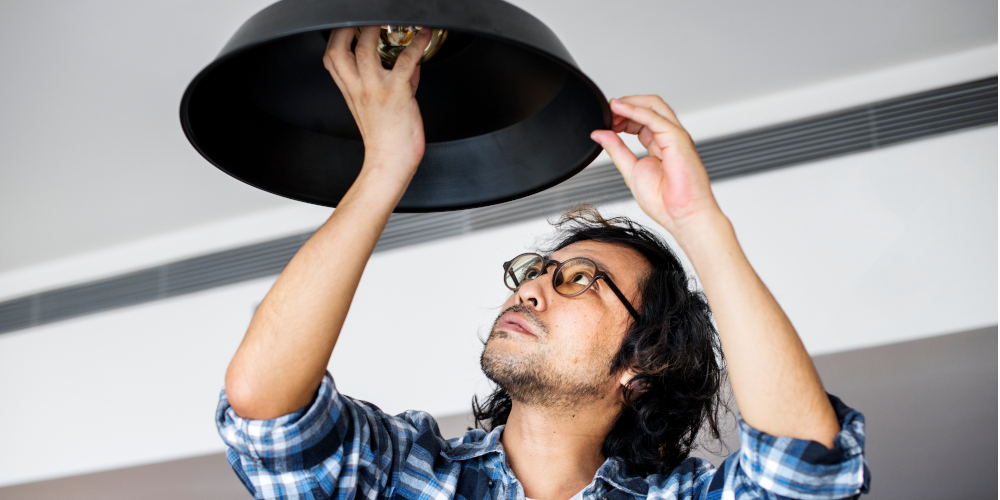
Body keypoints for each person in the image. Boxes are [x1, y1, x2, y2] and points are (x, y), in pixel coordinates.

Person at [217, 27, 870, 500]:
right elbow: (265, 410)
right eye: (534, 270)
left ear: (644, 363)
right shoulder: (403, 474)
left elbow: (805, 471)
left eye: (579, 279)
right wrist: (386, 167)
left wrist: (700, 224)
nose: (530, 289)